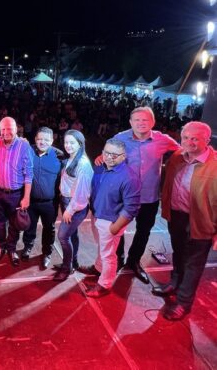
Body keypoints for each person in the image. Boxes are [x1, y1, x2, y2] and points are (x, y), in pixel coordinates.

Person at [99, 106, 179, 284]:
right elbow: (107, 155)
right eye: (137, 120)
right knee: (117, 230)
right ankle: (117, 260)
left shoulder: (162, 140)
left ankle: (133, 261)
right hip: (123, 197)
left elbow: (183, 150)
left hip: (149, 197)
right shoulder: (119, 138)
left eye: (145, 120)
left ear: (153, 122)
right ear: (130, 122)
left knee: (143, 232)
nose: (141, 123)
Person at [153, 121, 216, 321]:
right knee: (178, 253)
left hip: (202, 222)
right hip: (177, 216)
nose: (189, 142)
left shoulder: (215, 166)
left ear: (207, 140)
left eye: (195, 138)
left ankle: (183, 302)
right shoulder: (177, 156)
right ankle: (175, 282)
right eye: (186, 137)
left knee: (194, 263)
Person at [81, 139, 141, 297]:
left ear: (123, 156)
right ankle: (98, 268)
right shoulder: (100, 168)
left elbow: (131, 208)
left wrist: (115, 227)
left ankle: (104, 284)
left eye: (114, 155)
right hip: (97, 215)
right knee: (102, 249)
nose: (109, 157)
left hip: (111, 221)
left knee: (109, 255)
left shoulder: (130, 178)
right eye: (106, 152)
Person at [0, 116, 33, 267]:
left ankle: (11, 249)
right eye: (3, 129)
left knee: (14, 225)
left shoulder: (24, 146)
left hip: (15, 194)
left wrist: (26, 197)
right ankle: (1, 245)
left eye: (9, 128)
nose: (6, 132)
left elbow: (29, 174)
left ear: (16, 129)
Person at [53, 129, 93, 281]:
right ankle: (73, 262)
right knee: (72, 234)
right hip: (66, 201)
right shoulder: (72, 157)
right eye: (66, 142)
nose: (68, 145)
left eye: (72, 143)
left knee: (63, 236)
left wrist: (69, 210)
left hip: (74, 205)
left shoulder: (83, 164)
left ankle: (67, 267)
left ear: (80, 144)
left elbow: (81, 195)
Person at [21, 127, 62, 269]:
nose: (42, 142)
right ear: (35, 139)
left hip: (49, 203)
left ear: (52, 140)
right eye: (39, 139)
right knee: (29, 226)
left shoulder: (59, 156)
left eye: (46, 139)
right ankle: (27, 246)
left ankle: (47, 253)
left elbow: (78, 156)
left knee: (49, 229)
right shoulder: (27, 151)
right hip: (31, 201)